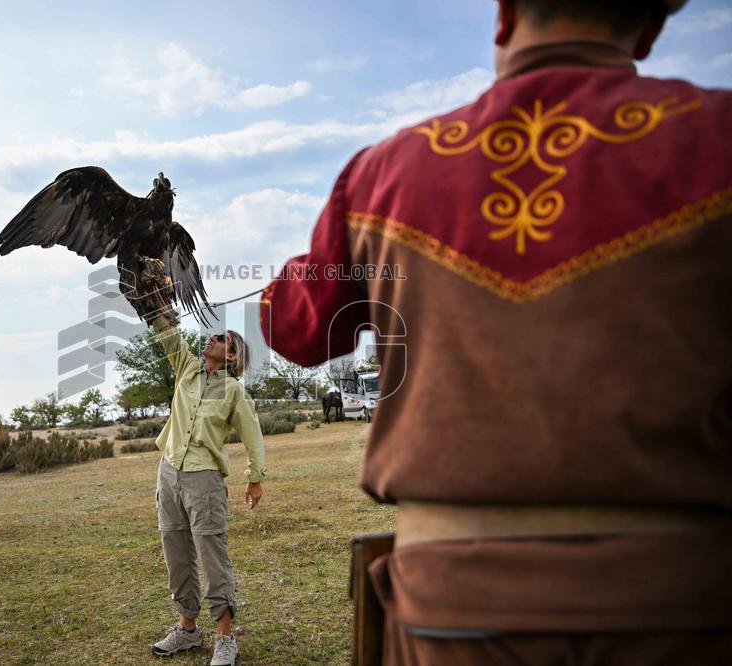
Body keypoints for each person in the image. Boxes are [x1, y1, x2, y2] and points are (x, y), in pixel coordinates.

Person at [260, 0, 732, 662]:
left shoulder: (380, 176)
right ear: (650, 28)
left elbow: (297, 327)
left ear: (505, 16)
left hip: (452, 610)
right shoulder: (717, 138)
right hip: (686, 604)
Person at [144, 295, 266, 666]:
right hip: (169, 473)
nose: (210, 339)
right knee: (176, 553)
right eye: (212, 336)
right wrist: (155, 301)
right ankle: (187, 630)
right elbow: (167, 332)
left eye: (220, 339)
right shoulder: (187, 368)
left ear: (231, 356)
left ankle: (225, 638)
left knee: (213, 557)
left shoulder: (233, 391)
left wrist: (255, 478)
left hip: (204, 480)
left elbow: (253, 434)